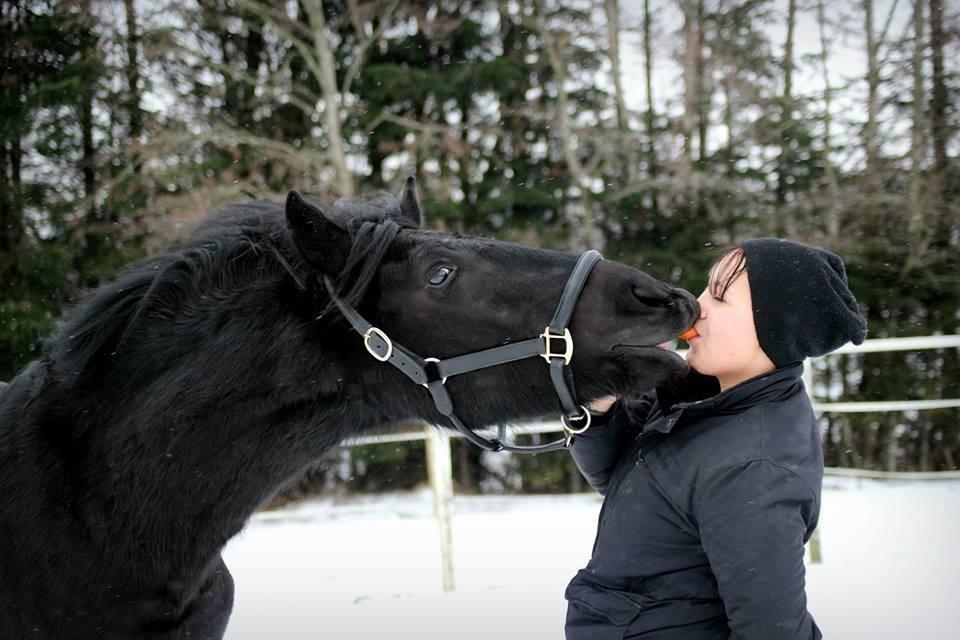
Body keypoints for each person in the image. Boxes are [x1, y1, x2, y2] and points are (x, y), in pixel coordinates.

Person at [565, 238, 868, 640]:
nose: (697, 305)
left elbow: (773, 632)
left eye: (721, 298)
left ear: (774, 329)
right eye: (706, 288)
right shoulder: (701, 395)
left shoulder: (755, 469)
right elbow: (623, 479)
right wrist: (602, 398)